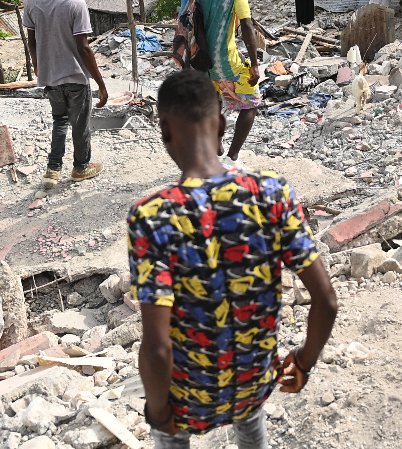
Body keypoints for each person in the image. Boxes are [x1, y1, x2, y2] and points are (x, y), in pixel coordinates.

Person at [130, 69, 338, 448]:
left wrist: (158, 414)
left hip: (187, 401)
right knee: (249, 417)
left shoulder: (152, 216)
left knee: (168, 434)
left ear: (163, 131)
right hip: (254, 385)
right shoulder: (273, 193)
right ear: (223, 125)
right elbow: (326, 300)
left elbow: (158, 348)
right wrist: (304, 362)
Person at [24, 0, 108, 186]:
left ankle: (53, 170)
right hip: (75, 78)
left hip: (50, 78)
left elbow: (32, 41)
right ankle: (81, 168)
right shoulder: (76, 5)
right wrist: (100, 83)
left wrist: (37, 64)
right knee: (80, 125)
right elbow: (84, 48)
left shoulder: (32, 3)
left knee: (59, 120)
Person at [176, 0, 260, 164]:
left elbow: (184, 27)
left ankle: (217, 143)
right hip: (228, 64)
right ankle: (232, 157)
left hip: (200, 64)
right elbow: (247, 26)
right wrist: (254, 63)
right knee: (250, 103)